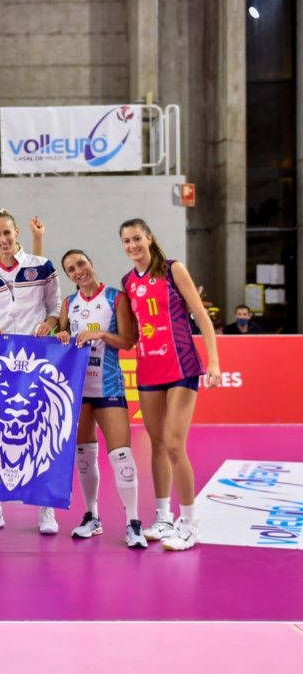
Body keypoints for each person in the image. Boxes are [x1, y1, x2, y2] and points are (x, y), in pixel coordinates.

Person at [120, 218, 220, 551]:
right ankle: (163, 517)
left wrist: (215, 362)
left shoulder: (174, 269)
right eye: (126, 241)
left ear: (149, 238)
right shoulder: (128, 282)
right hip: (149, 369)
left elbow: (201, 316)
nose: (133, 245)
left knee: (175, 445)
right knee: (157, 444)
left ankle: (189, 524)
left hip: (181, 366)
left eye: (137, 238)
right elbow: (131, 333)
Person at [0, 209, 61, 535]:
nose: (3, 239)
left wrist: (49, 324)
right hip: (2, 365)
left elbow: (55, 308)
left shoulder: (42, 266)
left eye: (7, 232)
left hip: (38, 363)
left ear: (16, 233)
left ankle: (46, 510)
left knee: (41, 434)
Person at [56, 250, 147, 549]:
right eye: (71, 269)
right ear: (68, 276)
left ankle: (133, 522)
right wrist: (61, 336)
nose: (78, 271)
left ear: (91, 264)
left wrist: (103, 335)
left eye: (81, 263)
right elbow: (61, 339)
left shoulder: (115, 298)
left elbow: (129, 340)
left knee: (121, 456)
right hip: (79, 389)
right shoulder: (68, 303)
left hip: (108, 386)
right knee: (84, 456)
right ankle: (92, 516)